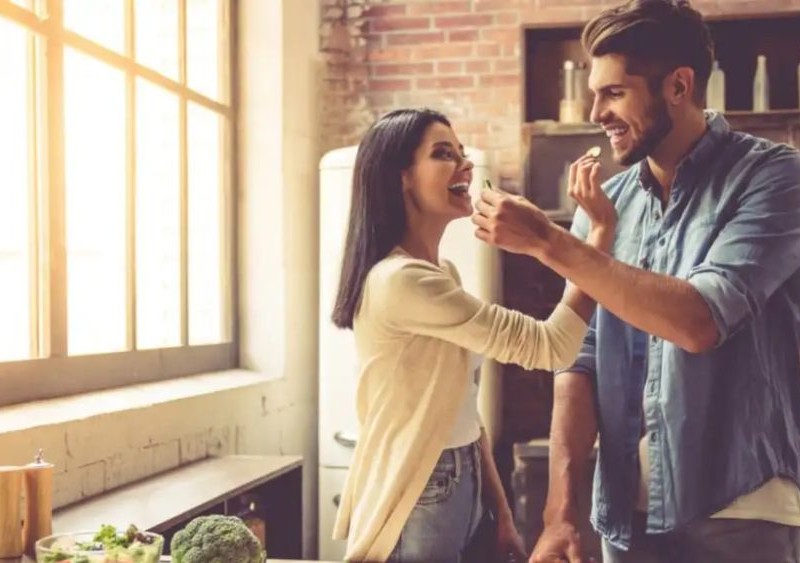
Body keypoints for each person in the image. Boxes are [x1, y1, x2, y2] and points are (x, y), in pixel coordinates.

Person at [472, 1, 800, 562]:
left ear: (678, 85)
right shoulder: (609, 205)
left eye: (615, 93)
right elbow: (581, 359)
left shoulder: (774, 176)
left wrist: (551, 243)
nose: (596, 111)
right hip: (626, 511)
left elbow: (700, 320)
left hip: (740, 504)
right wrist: (562, 513)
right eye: (594, 92)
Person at [329, 107, 616, 563]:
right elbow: (551, 346)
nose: (464, 164)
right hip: (419, 487)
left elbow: (462, 407)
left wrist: (499, 512)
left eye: (461, 152)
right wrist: (596, 234)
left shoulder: (441, 273)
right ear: (400, 177)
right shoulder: (401, 281)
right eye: (443, 154)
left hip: (460, 477)